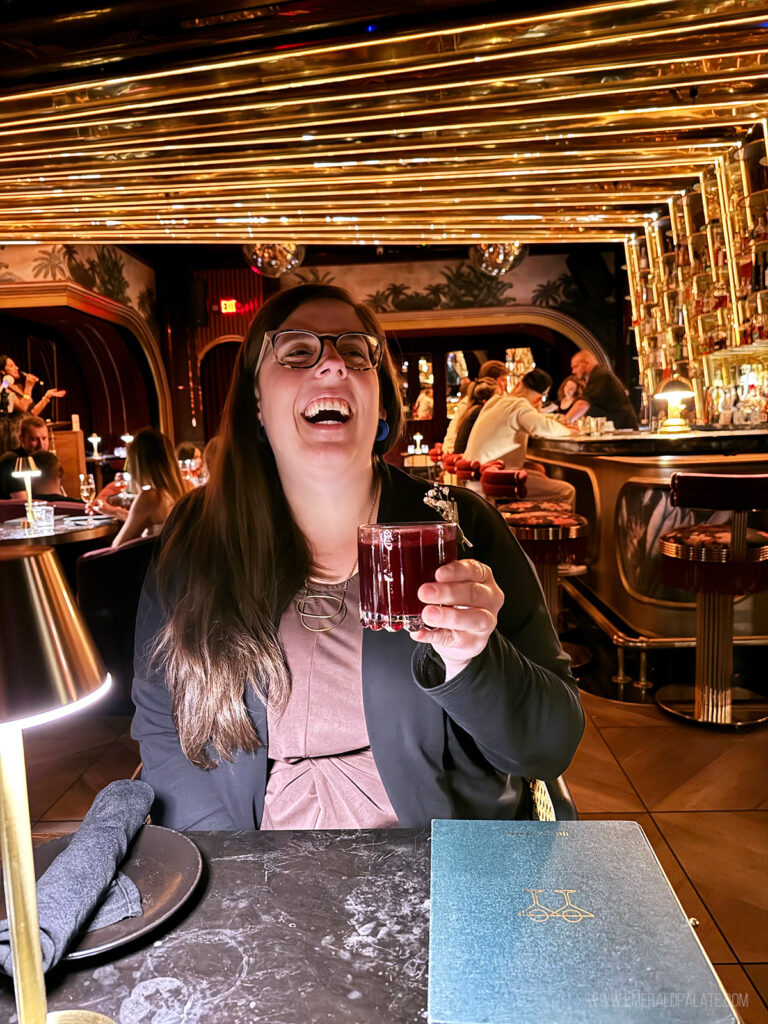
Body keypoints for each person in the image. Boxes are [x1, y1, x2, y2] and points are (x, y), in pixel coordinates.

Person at [131, 284, 583, 831]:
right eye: (298, 352)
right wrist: (225, 871)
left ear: (381, 401)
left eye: (356, 353)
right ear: (255, 399)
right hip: (259, 881)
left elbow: (549, 746)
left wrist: (473, 660)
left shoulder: (459, 526)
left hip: (441, 871)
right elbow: (162, 724)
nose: (332, 366)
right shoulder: (198, 535)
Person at [463, 369, 579, 507]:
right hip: (496, 480)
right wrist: (569, 431)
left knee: (539, 475)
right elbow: (543, 428)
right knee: (566, 491)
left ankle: (524, 524)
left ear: (519, 384)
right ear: (539, 398)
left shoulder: (495, 402)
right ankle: (536, 524)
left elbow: (537, 422)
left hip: (477, 480)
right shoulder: (519, 405)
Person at [110, 428, 188, 548]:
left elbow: (117, 546)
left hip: (158, 565)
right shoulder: (187, 488)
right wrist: (113, 511)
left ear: (138, 463)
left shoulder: (150, 497)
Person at [442, 360, 509, 454]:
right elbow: (454, 429)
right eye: (503, 380)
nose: (506, 384)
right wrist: (449, 452)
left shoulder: (507, 399)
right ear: (490, 381)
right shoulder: (471, 403)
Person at [566, 350, 639, 429]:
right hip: (618, 430)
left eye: (576, 366)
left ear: (587, 363)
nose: (573, 371)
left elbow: (582, 405)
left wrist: (564, 423)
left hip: (624, 432)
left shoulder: (600, 375)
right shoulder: (597, 375)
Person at [0, 415, 50, 499]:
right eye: (34, 439)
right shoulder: (13, 461)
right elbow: (22, 502)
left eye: (44, 438)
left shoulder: (44, 460)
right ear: (21, 439)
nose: (41, 445)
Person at [0, 355, 66, 417]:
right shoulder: (4, 389)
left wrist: (47, 397)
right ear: (2, 371)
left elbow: (31, 413)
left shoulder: (19, 387)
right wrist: (28, 387)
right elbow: (22, 408)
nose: (16, 368)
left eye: (15, 365)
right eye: (11, 366)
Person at [452, 378, 498, 455]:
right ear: (488, 399)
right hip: (468, 462)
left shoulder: (472, 409)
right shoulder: (480, 412)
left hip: (462, 459)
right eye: (498, 396)